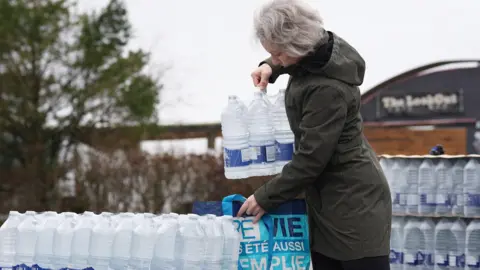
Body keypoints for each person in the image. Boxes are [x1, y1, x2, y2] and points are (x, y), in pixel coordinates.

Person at [236, 0, 392, 269]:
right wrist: (270, 67)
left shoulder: (327, 90)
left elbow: (311, 159)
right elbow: (292, 61)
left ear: (297, 44)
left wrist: (265, 196)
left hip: (354, 205)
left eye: (278, 54)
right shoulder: (319, 54)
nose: (276, 59)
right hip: (327, 197)